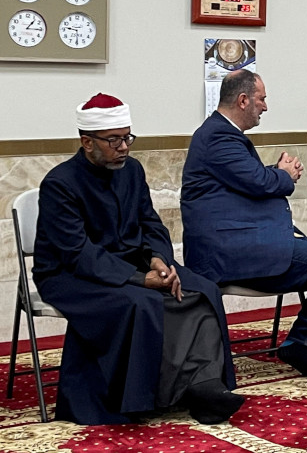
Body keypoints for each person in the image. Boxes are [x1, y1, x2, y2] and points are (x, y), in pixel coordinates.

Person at [33, 93, 243, 425]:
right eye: (113, 140)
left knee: (204, 290)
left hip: (133, 263)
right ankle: (146, 396)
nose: (124, 147)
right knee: (142, 301)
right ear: (87, 142)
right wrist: (138, 278)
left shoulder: (131, 171)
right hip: (68, 275)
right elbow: (77, 253)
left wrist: (159, 259)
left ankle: (203, 384)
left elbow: (150, 223)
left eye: (127, 137)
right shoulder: (61, 184)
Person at [181, 70, 307, 392]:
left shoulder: (222, 135)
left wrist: (277, 172)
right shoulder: (218, 137)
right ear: (243, 100)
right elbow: (258, 183)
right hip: (230, 252)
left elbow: (245, 181)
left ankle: (299, 343)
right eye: (262, 99)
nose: (265, 107)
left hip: (247, 240)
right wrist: (283, 175)